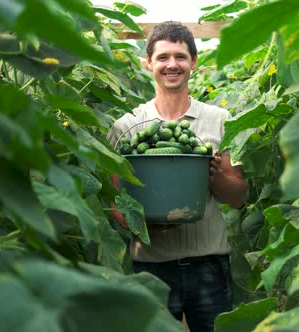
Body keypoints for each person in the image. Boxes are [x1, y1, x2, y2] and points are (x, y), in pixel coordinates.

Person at [107, 21, 248, 331]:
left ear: (193, 62)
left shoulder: (220, 120)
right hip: (152, 265)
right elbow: (116, 201)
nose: (172, 64)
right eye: (163, 57)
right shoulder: (126, 126)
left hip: (209, 263)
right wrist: (145, 225)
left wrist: (214, 176)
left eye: (181, 57)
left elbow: (238, 197)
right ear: (148, 63)